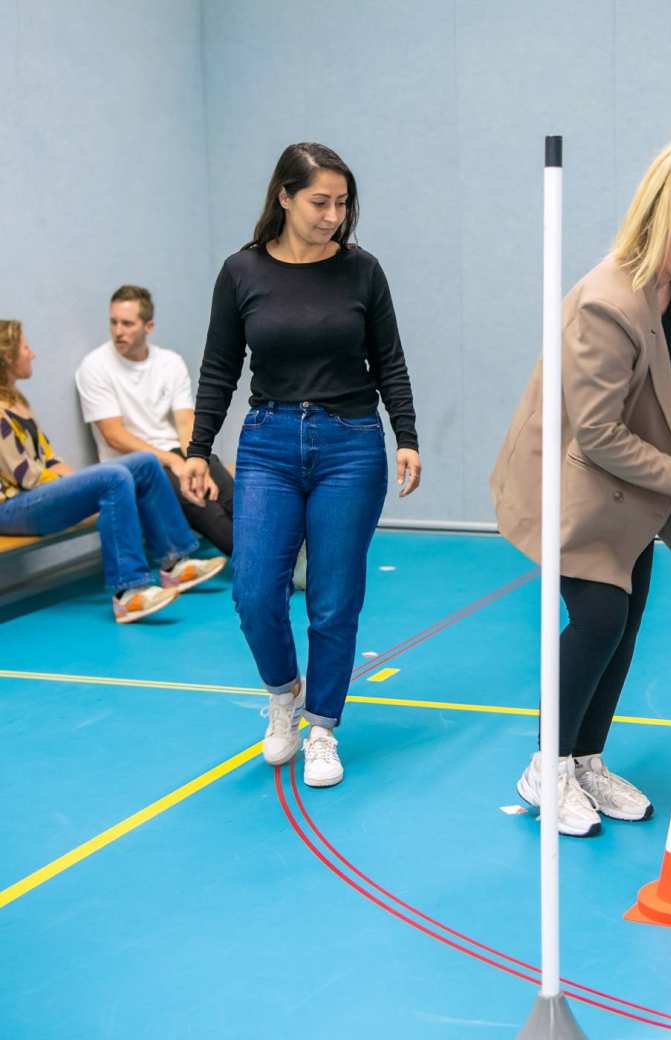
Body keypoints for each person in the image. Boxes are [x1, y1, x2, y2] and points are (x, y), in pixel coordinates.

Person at [491, 136, 671, 837]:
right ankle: (543, 765)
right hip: (573, 480)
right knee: (601, 619)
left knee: (627, 619)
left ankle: (584, 758)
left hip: (625, 485)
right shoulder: (608, 303)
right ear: (668, 219)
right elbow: (597, 435)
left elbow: (661, 399)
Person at [180, 142, 421, 789]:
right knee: (255, 591)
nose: (333, 216)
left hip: (350, 446)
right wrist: (197, 449)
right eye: (320, 202)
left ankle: (321, 728)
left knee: (334, 600)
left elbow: (389, 359)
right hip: (268, 444)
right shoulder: (242, 272)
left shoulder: (362, 272)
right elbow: (219, 368)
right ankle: (283, 694)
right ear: (284, 197)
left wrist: (406, 435)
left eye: (342, 204)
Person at [0, 320, 226, 622]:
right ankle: (128, 593)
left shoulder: (17, 401)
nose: (33, 354)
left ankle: (176, 563)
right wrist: (81, 488)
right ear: (8, 358)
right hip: (12, 507)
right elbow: (26, 476)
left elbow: (48, 459)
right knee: (113, 478)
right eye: (25, 348)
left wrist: (77, 486)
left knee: (145, 464)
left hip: (34, 498)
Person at [74, 285, 235, 556]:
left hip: (178, 454)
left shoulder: (170, 362)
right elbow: (114, 436)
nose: (118, 331)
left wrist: (196, 462)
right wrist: (175, 462)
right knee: (208, 510)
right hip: (137, 466)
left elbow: (186, 422)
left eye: (127, 324)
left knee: (233, 497)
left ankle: (284, 555)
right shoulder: (95, 367)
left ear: (148, 326)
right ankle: (264, 562)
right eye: (113, 322)